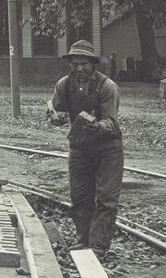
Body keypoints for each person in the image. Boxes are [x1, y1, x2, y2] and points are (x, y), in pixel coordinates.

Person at [46, 40, 123, 255]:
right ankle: (84, 239)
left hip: (108, 148)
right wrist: (55, 117)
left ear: (93, 64)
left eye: (84, 64)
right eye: (75, 64)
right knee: (79, 196)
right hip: (80, 147)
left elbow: (112, 122)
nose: (79, 68)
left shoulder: (107, 87)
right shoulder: (64, 85)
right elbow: (56, 109)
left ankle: (98, 245)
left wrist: (96, 125)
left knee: (106, 198)